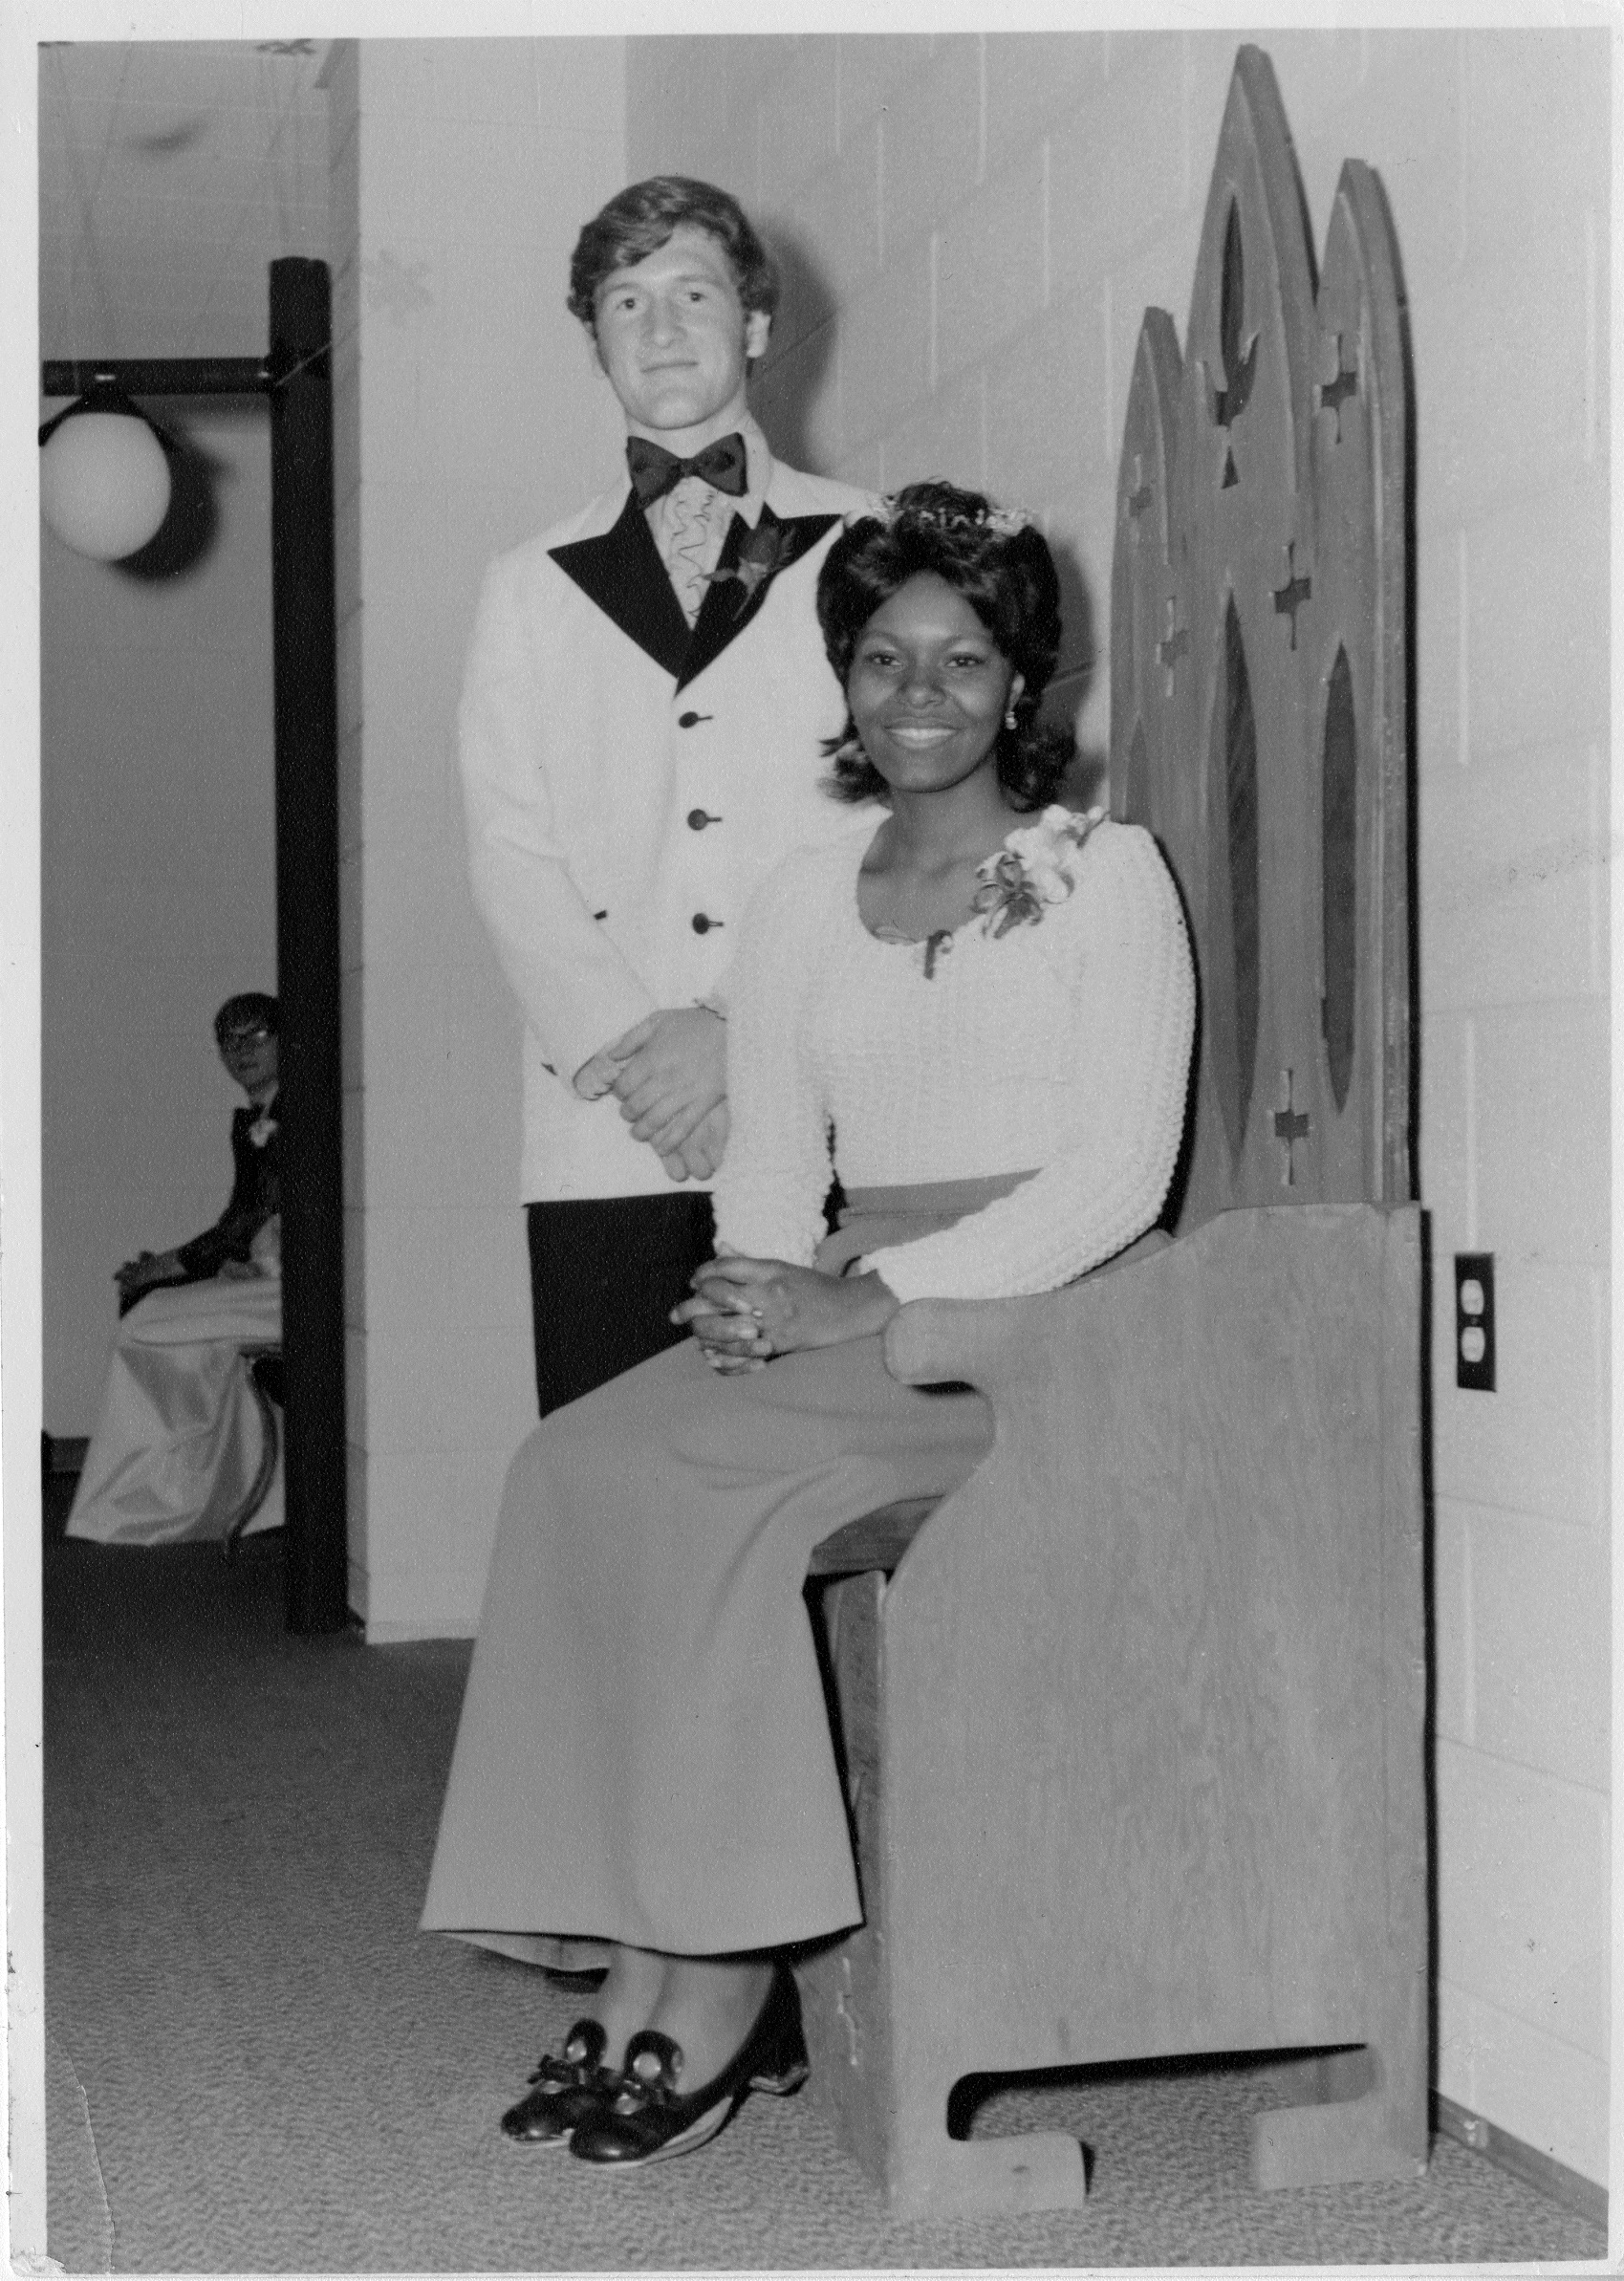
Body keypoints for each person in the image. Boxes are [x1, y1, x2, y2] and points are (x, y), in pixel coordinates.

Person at [422, 485, 1197, 2170]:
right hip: (861, 1298)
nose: (920, 689)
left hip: (1041, 1323)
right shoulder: (793, 898)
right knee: (575, 1460)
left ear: (1021, 685)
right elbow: (773, 1165)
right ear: (843, 681)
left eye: (963, 657)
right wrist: (758, 1283)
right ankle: (638, 1939)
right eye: (883, 656)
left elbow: (1120, 1183)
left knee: (714, 1488)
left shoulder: (1102, 874)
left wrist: (867, 1295)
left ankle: (718, 1967)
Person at [459, 174, 877, 1420]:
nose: (659, 327)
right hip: (611, 1125)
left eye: (692, 292)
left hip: (825, 1097)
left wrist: (736, 1027)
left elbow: (887, 824)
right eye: (625, 302)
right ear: (596, 342)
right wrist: (647, 1056)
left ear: (752, 322)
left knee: (824, 1478)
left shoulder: (874, 545)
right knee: (614, 1481)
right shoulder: (525, 585)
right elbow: (509, 852)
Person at [66, 993, 284, 1546]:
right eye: (228, 1041)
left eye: (256, 1035)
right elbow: (242, 1222)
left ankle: (148, 1504)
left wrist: (167, 1267)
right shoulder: (259, 1116)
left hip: (293, 1290)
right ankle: (198, 1497)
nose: (240, 1051)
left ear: (286, 1039)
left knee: (147, 1322)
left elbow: (248, 1221)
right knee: (156, 1309)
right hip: (264, 1278)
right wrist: (175, 1269)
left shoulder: (293, 1113)